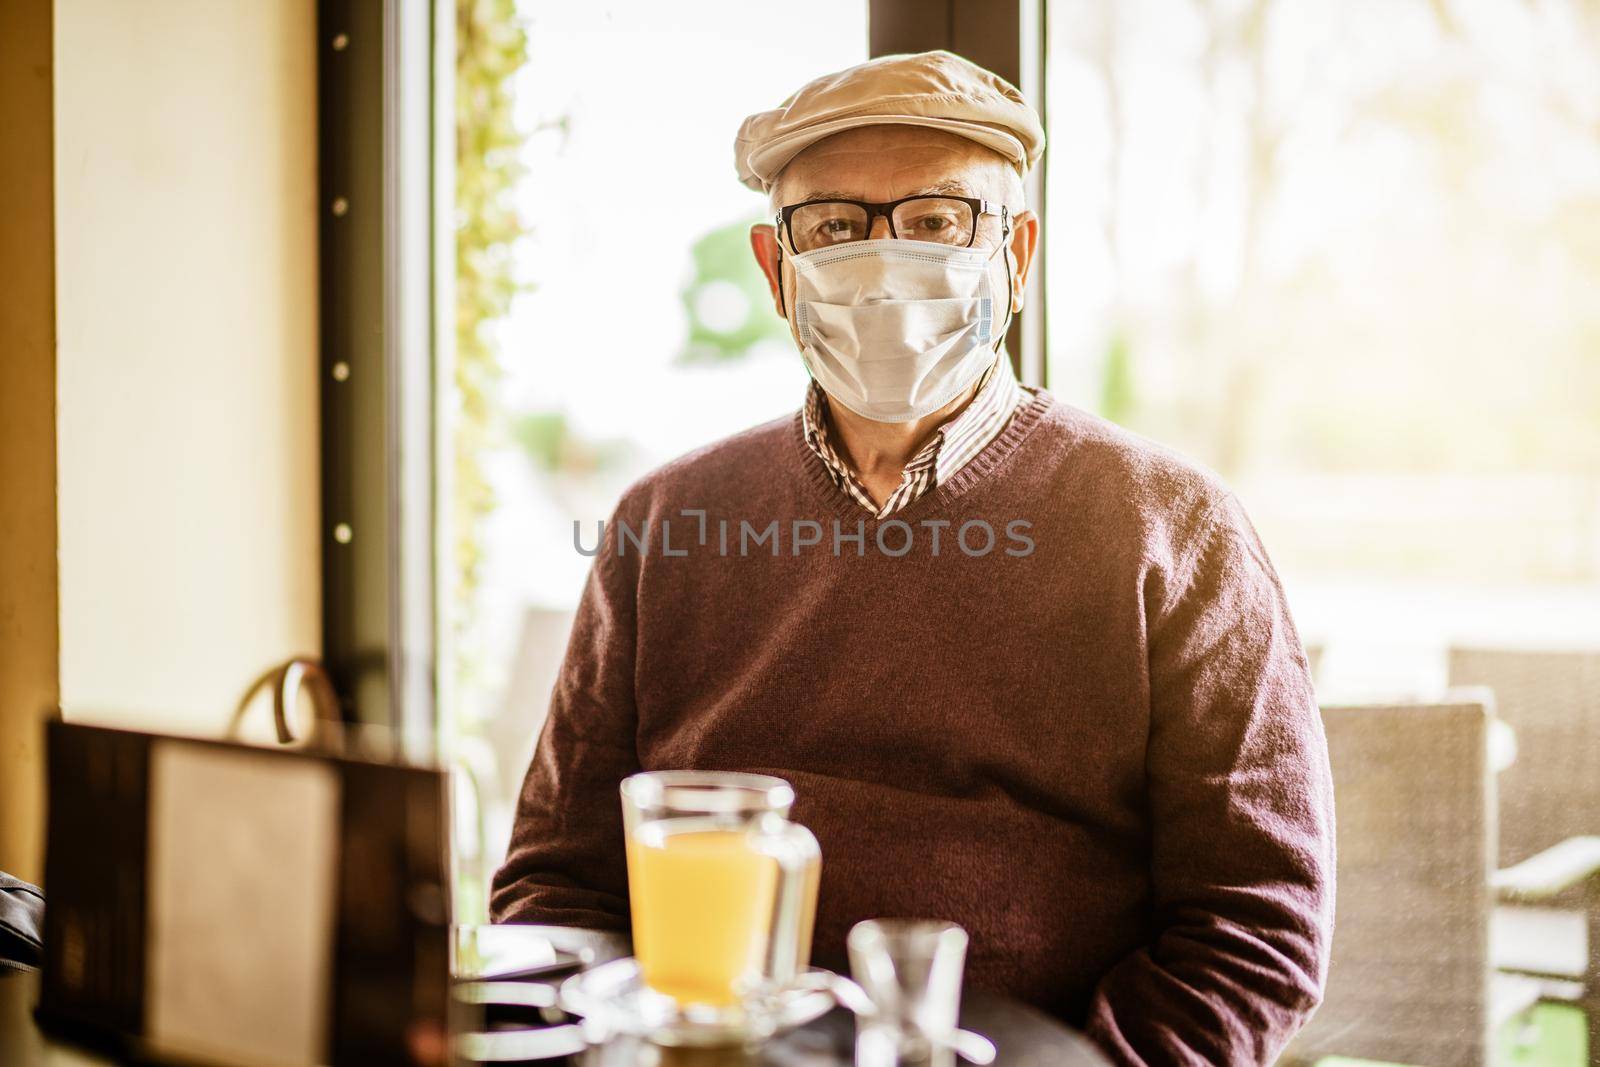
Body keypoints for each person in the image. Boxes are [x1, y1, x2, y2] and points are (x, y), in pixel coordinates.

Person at [492, 50, 1334, 1065]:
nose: (885, 260)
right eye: (835, 226)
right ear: (775, 268)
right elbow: (554, 886)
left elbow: (1253, 925)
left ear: (1017, 254)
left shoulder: (1174, 528)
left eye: (938, 220)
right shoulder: (662, 523)